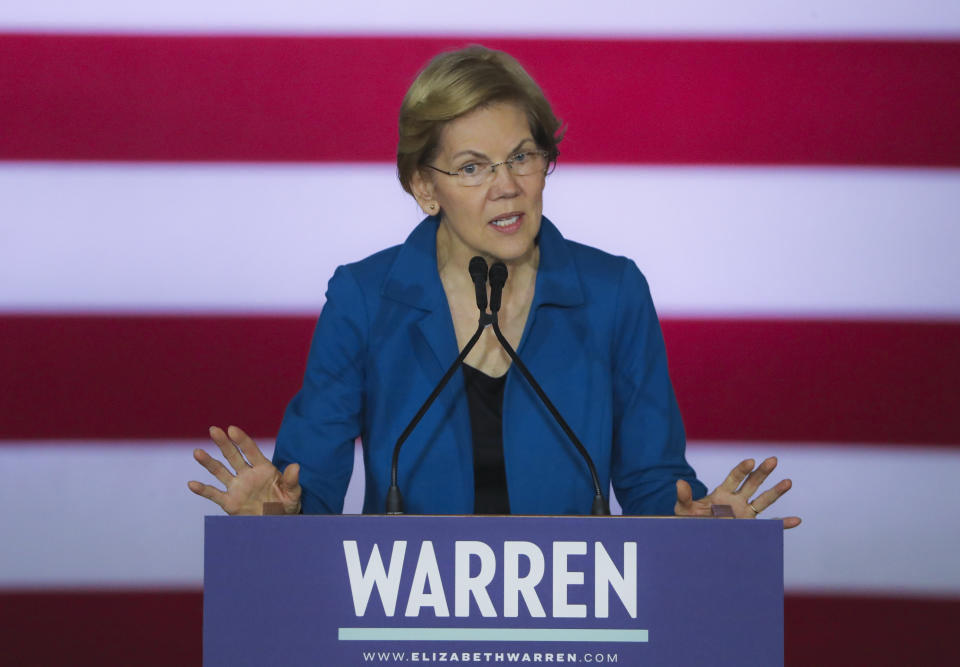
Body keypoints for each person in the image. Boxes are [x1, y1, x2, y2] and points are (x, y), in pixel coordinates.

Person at [188, 45, 800, 527]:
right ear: (425, 188)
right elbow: (307, 491)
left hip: (577, 622)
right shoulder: (365, 299)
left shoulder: (613, 292)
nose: (505, 185)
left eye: (523, 156)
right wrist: (272, 512)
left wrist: (693, 523)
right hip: (405, 622)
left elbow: (650, 480)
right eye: (473, 167)